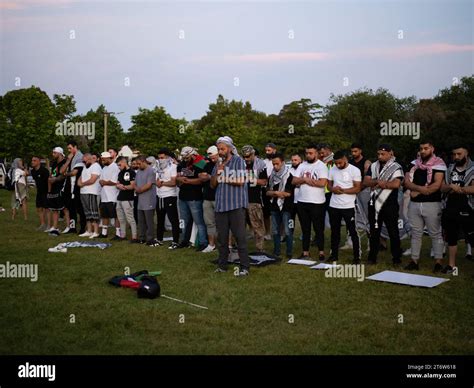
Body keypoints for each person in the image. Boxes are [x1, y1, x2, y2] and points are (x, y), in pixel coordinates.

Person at [403, 141, 446, 272]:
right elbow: (406, 182)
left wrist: (417, 191)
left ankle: (438, 262)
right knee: (415, 234)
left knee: (436, 234)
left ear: (432, 149)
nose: (423, 151)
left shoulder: (439, 164)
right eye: (421, 148)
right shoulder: (413, 163)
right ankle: (414, 261)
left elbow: (436, 185)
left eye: (426, 148)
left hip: (432, 204)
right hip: (414, 204)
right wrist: (420, 189)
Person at [211, 136, 250, 276]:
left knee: (240, 237)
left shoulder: (238, 161)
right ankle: (222, 265)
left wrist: (224, 176)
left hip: (236, 205)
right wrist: (218, 172)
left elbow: (240, 181)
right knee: (222, 239)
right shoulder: (218, 164)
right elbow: (212, 184)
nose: (220, 151)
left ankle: (244, 267)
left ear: (229, 148)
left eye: (223, 148)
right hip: (221, 205)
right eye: (219, 149)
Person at [363, 144, 404, 265]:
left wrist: (379, 183)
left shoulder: (396, 166)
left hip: (389, 203)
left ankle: (396, 258)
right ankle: (372, 257)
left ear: (390, 153)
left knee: (393, 232)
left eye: (383, 154)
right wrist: (377, 181)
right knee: (374, 231)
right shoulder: (374, 165)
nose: (380, 156)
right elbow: (366, 181)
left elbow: (396, 184)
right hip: (374, 203)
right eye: (378, 154)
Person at [291, 144, 328, 260]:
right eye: (306, 153)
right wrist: (305, 179)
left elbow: (322, 183)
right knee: (305, 229)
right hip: (302, 201)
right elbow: (294, 181)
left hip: (317, 202)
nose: (308, 155)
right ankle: (305, 252)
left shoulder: (321, 166)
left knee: (318, 228)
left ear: (316, 153)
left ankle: (321, 252)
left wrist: (304, 181)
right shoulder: (302, 166)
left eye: (311, 153)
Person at [441, 146, 474, 274]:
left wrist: (461, 189)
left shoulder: (472, 168)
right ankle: (451, 266)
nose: (456, 157)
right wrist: (450, 186)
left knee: (472, 237)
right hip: (450, 207)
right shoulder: (449, 169)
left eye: (459, 154)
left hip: (468, 207)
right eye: (454, 154)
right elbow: (442, 188)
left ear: (467, 153)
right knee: (451, 237)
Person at [327, 151, 362, 264]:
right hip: (334, 205)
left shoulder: (354, 170)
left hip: (348, 206)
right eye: (336, 163)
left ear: (345, 159)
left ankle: (357, 257)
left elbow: (357, 188)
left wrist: (343, 191)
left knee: (353, 231)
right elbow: (329, 185)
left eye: (340, 163)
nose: (338, 165)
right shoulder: (332, 170)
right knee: (334, 231)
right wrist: (333, 189)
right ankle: (334, 255)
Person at [176, 146, 208, 251]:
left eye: (187, 157)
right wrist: (180, 179)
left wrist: (188, 181)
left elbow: (201, 180)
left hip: (195, 196)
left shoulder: (201, 163)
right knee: (183, 221)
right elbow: (178, 176)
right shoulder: (182, 164)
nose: (185, 159)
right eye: (184, 157)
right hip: (183, 196)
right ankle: (184, 240)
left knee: (199, 221)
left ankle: (203, 242)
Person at [266, 153, 295, 259]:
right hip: (274, 206)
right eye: (273, 164)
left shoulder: (289, 176)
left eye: (277, 164)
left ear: (282, 163)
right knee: (275, 230)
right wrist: (277, 193)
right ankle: (277, 251)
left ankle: (289, 252)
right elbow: (267, 192)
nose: (275, 166)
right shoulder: (271, 176)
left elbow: (288, 194)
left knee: (287, 230)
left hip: (286, 207)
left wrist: (274, 192)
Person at [242, 145, 268, 252]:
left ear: (253, 154)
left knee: (257, 226)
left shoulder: (260, 164)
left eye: (248, 156)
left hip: (254, 199)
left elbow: (263, 182)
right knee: (238, 226)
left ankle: (260, 249)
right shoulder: (240, 164)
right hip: (240, 200)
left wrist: (249, 178)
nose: (246, 159)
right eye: (244, 156)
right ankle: (238, 248)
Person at [156, 148, 180, 249]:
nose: (160, 159)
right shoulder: (158, 167)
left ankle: (175, 241)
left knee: (173, 219)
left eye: (162, 158)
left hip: (169, 196)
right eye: (159, 158)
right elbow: (157, 180)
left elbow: (173, 182)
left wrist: (162, 183)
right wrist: (158, 182)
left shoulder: (173, 167)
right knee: (160, 219)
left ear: (167, 157)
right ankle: (159, 239)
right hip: (159, 196)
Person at [199, 145, 219, 253]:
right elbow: (201, 177)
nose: (211, 157)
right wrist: (206, 177)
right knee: (209, 222)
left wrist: (210, 177)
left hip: (219, 198)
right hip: (207, 197)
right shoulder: (208, 165)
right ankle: (211, 244)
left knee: (223, 223)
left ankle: (228, 245)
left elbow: (222, 179)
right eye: (209, 155)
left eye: (212, 155)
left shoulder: (223, 165)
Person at [60, 140, 84, 234]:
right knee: (70, 208)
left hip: (76, 186)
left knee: (79, 208)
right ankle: (72, 228)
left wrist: (66, 174)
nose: (69, 150)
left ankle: (83, 228)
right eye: (68, 149)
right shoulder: (70, 157)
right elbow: (61, 171)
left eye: (70, 148)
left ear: (75, 147)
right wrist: (68, 161)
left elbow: (75, 172)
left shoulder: (79, 157)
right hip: (68, 185)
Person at [135, 155, 159, 246]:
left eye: (139, 163)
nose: (137, 165)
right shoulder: (138, 172)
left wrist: (139, 190)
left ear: (143, 161)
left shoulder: (151, 171)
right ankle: (142, 238)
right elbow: (135, 183)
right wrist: (136, 189)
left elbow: (149, 185)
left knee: (149, 221)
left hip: (149, 199)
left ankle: (150, 238)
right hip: (140, 200)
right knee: (141, 220)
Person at [77, 153, 102, 238]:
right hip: (83, 192)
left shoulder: (96, 166)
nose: (84, 162)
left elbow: (93, 180)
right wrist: (79, 182)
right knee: (87, 213)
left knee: (93, 212)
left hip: (92, 192)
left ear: (89, 159)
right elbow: (80, 177)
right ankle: (89, 231)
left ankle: (96, 231)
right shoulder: (85, 166)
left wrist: (82, 184)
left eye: (85, 161)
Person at [98, 151, 121, 240]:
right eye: (102, 160)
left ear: (109, 158)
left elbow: (114, 182)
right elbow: (101, 180)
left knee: (115, 216)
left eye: (104, 160)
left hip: (112, 196)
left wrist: (104, 182)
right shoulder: (104, 168)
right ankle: (104, 233)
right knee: (104, 215)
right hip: (104, 196)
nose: (102, 161)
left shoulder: (115, 167)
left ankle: (118, 233)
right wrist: (103, 182)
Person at [116, 156, 138, 242]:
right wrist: (119, 186)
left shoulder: (131, 172)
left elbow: (133, 186)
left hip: (128, 198)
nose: (119, 166)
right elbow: (117, 183)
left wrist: (124, 186)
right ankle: (123, 235)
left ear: (124, 162)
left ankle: (134, 237)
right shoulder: (120, 172)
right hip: (120, 198)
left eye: (119, 164)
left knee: (130, 218)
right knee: (121, 218)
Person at [46, 147, 67, 236]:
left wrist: (55, 179)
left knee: (64, 208)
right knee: (55, 208)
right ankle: (55, 226)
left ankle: (69, 226)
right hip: (54, 187)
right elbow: (52, 174)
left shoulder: (64, 162)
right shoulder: (54, 163)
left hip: (62, 187)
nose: (53, 154)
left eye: (55, 153)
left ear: (59, 153)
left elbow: (63, 174)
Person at [262, 142, 277, 241]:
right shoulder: (263, 162)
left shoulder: (279, 160)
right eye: (266, 150)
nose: (267, 152)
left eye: (269, 150)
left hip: (277, 188)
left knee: (278, 212)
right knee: (266, 213)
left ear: (274, 150)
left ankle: (281, 233)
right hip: (265, 188)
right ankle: (267, 233)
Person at [30, 156, 50, 230]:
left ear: (39, 162)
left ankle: (48, 225)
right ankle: (42, 224)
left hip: (46, 192)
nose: (32, 162)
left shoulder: (44, 171)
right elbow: (36, 181)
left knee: (47, 209)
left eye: (34, 160)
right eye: (32, 160)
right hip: (39, 192)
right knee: (39, 208)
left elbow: (49, 181)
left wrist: (49, 192)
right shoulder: (33, 171)